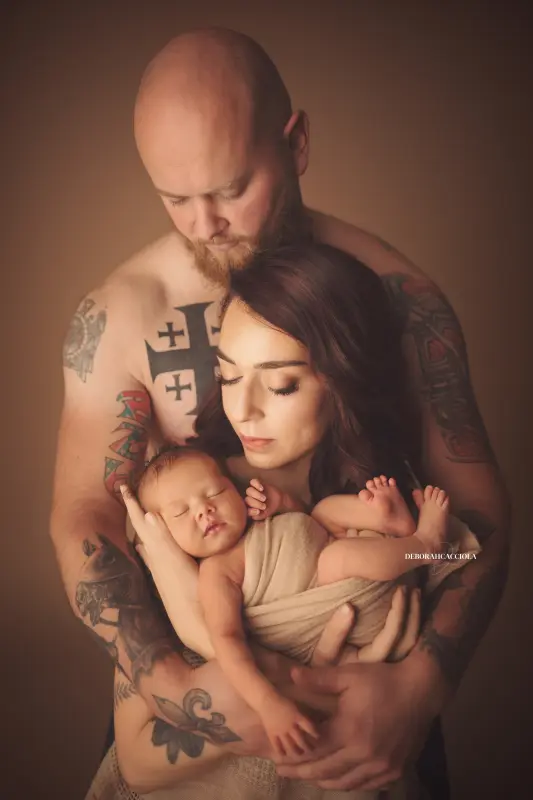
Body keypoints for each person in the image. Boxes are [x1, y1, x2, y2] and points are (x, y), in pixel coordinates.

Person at [50, 26, 510, 799]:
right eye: (174, 197)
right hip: (194, 719)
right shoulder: (124, 315)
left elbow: (471, 514)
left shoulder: (399, 301)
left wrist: (422, 686)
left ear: (295, 145)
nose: (204, 223)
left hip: (370, 710)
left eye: (230, 188)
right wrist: (178, 686)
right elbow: (86, 516)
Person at [132, 439, 453, 761]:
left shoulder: (256, 519)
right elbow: (227, 641)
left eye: (214, 493)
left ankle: (391, 523)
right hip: (341, 601)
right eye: (181, 512)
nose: (204, 509)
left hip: (347, 557)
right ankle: (424, 544)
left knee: (322, 511)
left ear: (233, 488)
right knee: (335, 558)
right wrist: (269, 704)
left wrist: (282, 502)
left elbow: (302, 526)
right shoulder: (216, 573)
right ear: (165, 536)